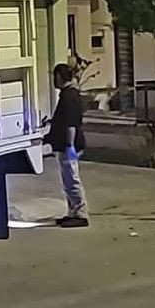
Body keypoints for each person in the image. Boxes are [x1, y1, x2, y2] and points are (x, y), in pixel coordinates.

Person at [46, 63, 88, 228]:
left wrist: (69, 145)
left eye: (54, 77)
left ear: (59, 77)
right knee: (67, 179)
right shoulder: (69, 94)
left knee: (72, 178)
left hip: (69, 145)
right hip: (66, 144)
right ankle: (72, 212)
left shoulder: (69, 96)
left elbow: (70, 123)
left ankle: (80, 214)